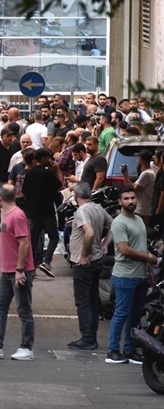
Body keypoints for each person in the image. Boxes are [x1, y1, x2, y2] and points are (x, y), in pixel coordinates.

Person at [0, 185, 36, 361]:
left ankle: (26, 347)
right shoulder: (9, 215)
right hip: (8, 271)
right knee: (0, 307)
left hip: (18, 271)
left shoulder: (17, 216)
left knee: (24, 309)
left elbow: (24, 243)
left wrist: (20, 269)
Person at [105, 187, 156, 364]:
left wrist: (149, 268)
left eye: (133, 198)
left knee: (135, 315)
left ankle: (130, 349)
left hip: (140, 275)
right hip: (125, 276)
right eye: (126, 198)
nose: (130, 201)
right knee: (121, 313)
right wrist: (148, 258)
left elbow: (141, 246)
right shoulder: (119, 223)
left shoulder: (139, 220)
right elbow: (124, 249)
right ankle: (112, 351)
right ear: (120, 202)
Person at [67, 182, 112, 350]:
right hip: (97, 259)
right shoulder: (98, 208)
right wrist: (105, 245)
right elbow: (112, 224)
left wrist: (84, 255)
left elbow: (90, 233)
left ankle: (87, 338)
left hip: (85, 262)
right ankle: (91, 336)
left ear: (76, 195)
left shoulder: (82, 211)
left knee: (83, 301)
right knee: (92, 299)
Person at [21, 148, 62, 277]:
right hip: (47, 210)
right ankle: (46, 261)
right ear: (44, 158)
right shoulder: (48, 173)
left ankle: (30, 266)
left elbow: (24, 190)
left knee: (33, 238)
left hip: (33, 211)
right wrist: (57, 170)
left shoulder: (29, 173)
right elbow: (58, 186)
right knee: (54, 236)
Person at [120, 149, 156, 224]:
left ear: (140, 159)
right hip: (143, 210)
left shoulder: (146, 174)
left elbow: (132, 190)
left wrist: (126, 175)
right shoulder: (149, 172)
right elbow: (131, 187)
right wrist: (125, 174)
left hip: (142, 211)